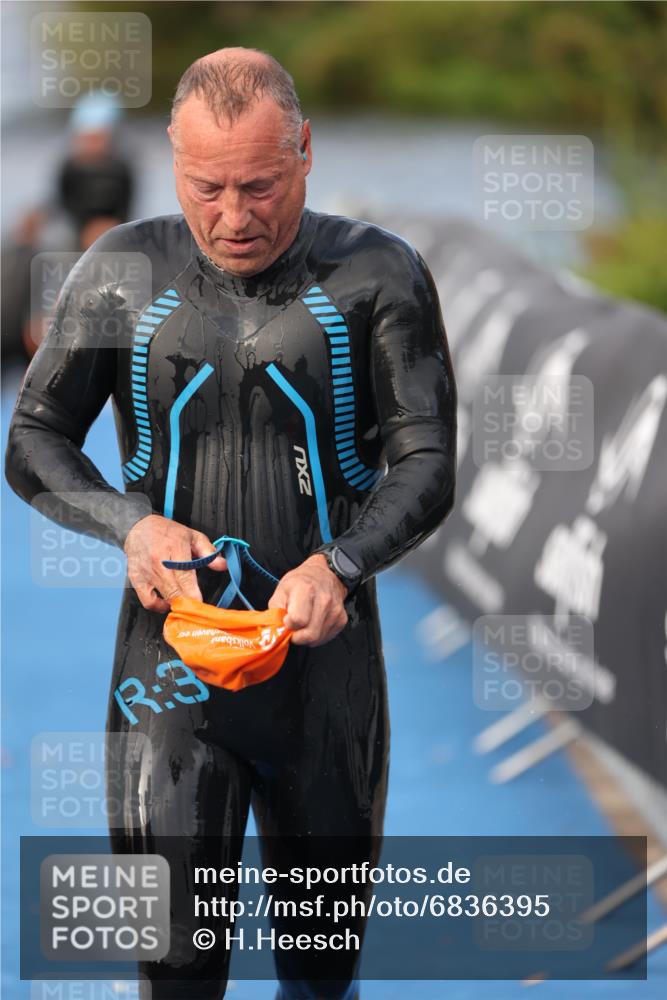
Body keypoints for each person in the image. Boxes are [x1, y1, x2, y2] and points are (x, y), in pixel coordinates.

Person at [5, 48, 456, 1000]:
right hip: (166, 676)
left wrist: (339, 564)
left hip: (324, 676)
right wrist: (130, 525)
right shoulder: (123, 269)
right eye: (207, 187)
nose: (234, 216)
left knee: (319, 974)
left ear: (304, 151)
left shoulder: (378, 273)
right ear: (170, 157)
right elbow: (34, 441)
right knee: (174, 970)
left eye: (260, 184)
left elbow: (427, 460)